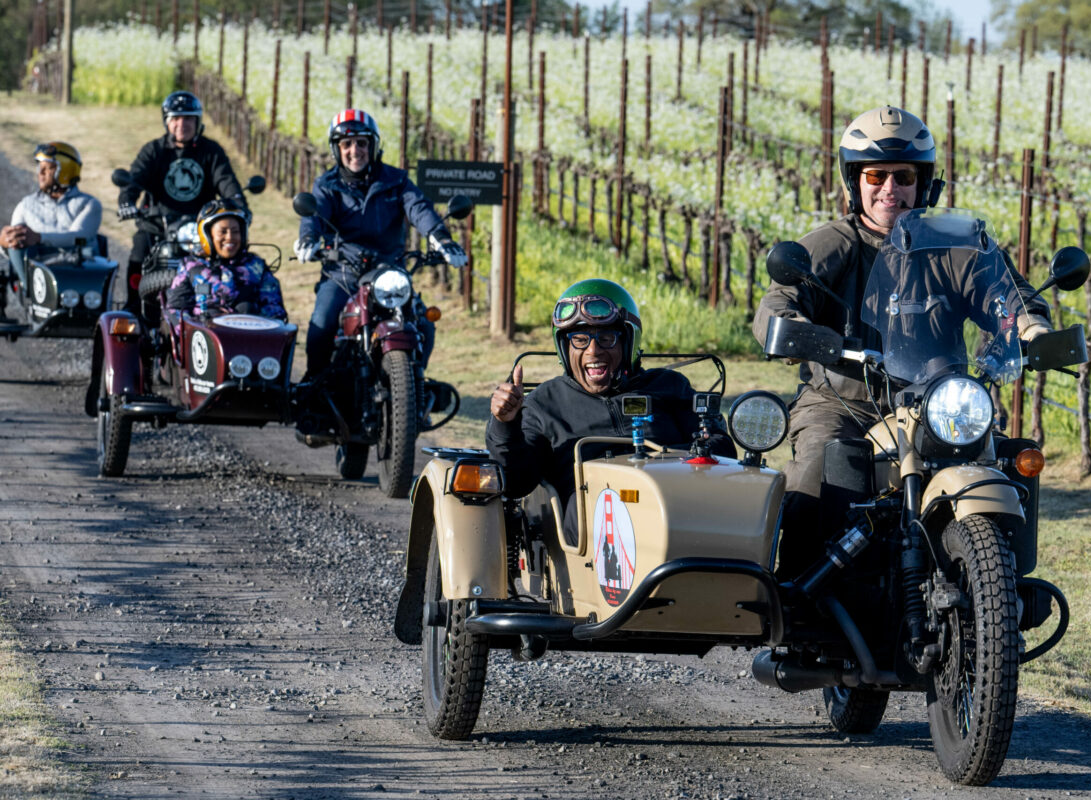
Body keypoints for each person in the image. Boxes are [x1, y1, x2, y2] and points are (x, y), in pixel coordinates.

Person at [751, 105, 1053, 571]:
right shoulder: (833, 243)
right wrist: (799, 332)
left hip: (937, 402)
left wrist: (1028, 324)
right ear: (855, 182)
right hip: (842, 401)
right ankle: (796, 610)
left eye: (903, 177)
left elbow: (1004, 291)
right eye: (876, 176)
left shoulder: (955, 245)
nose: (889, 189)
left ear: (923, 183)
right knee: (815, 477)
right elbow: (778, 302)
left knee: (1004, 468)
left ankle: (1002, 591)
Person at [487, 279, 733, 530]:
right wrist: (505, 425)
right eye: (580, 339)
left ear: (629, 342)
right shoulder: (544, 403)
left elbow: (722, 448)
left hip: (678, 515)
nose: (593, 351)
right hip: (592, 537)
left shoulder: (669, 386)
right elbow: (517, 482)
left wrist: (668, 457)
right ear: (564, 348)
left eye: (606, 338)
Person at [293, 108, 467, 379]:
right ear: (336, 149)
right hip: (342, 272)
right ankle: (312, 391)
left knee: (423, 324)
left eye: (362, 143)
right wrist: (309, 238)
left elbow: (419, 209)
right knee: (322, 324)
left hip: (390, 270)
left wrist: (441, 239)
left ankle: (415, 389)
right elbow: (315, 215)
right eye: (346, 144)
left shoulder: (396, 181)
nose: (355, 150)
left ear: (373, 146)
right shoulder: (326, 185)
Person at [115, 91, 249, 316]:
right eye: (175, 118)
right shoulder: (153, 151)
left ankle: (231, 309)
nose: (181, 124)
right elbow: (134, 179)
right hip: (157, 224)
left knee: (231, 260)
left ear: (197, 121)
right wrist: (126, 201)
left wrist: (239, 205)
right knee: (139, 254)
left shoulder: (211, 151)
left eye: (188, 118)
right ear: (166, 121)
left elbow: (227, 182)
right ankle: (133, 307)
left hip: (201, 228)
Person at [1, 142, 102, 320]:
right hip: (34, 270)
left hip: (77, 265)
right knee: (14, 242)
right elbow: (12, 244)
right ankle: (31, 297)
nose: (40, 173)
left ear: (65, 171)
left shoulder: (89, 204)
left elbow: (80, 236)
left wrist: (39, 238)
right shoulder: (26, 205)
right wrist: (4, 242)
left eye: (48, 168)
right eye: (40, 168)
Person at [164, 200, 285, 331]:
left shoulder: (256, 266)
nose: (230, 237)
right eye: (223, 232)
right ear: (207, 236)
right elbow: (176, 309)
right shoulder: (191, 267)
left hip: (250, 341)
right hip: (203, 343)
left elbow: (274, 308)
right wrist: (192, 333)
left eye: (235, 231)